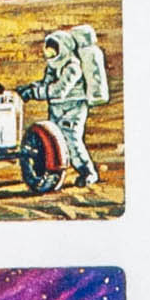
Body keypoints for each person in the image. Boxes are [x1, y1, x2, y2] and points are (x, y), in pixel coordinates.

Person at [18, 29, 99, 187]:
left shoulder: (73, 67)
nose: (50, 53)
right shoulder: (53, 66)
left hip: (73, 108)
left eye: (53, 49)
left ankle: (88, 172)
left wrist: (34, 93)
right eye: (48, 49)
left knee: (72, 140)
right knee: (52, 140)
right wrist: (30, 88)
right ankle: (50, 172)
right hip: (56, 108)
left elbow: (59, 90)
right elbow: (46, 84)